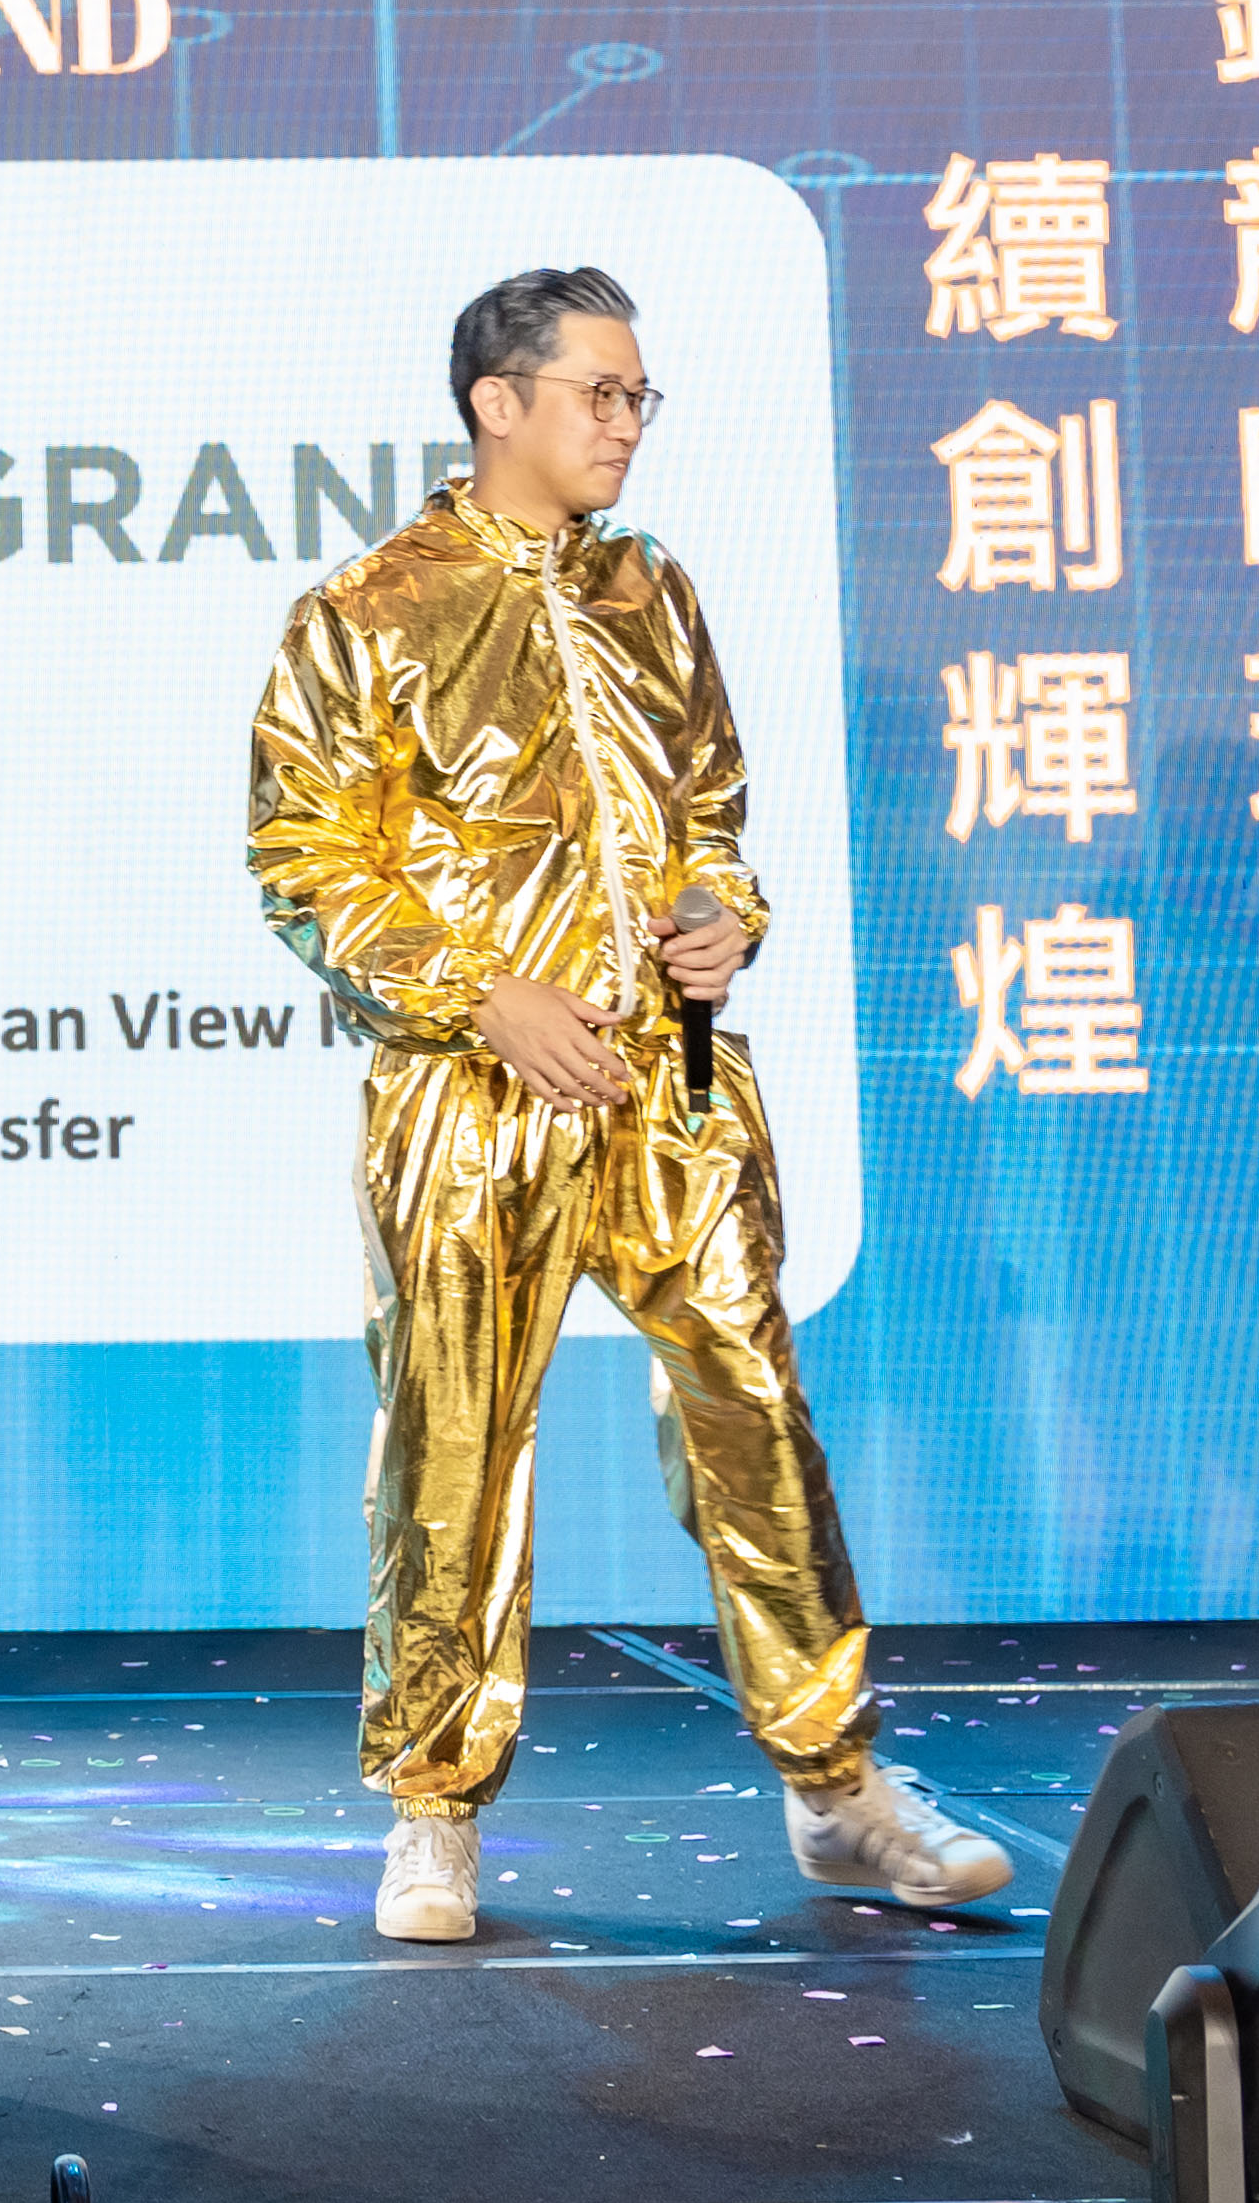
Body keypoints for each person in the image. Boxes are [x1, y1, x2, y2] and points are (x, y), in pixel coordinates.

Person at [249, 264, 1009, 1941]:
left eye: (636, 394)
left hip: (675, 1081)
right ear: (495, 400)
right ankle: (433, 1807)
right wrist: (481, 992)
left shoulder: (650, 586)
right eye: (597, 390)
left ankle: (837, 1784)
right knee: (454, 1439)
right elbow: (304, 860)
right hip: (471, 1094)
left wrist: (724, 911)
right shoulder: (367, 609)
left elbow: (708, 802)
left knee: (754, 1416)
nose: (624, 422)